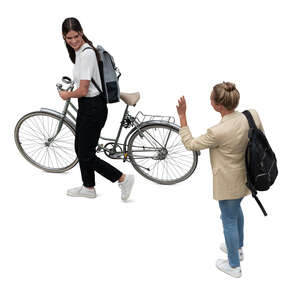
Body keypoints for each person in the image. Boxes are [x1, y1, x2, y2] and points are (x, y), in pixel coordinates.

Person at [176, 82, 264, 278]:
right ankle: (238, 248)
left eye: (211, 98)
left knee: (228, 220)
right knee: (236, 212)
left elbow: (191, 144)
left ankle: (233, 265)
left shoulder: (217, 132)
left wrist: (182, 117)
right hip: (249, 177)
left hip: (229, 182)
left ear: (217, 105)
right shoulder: (252, 115)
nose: (210, 100)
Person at [59, 17, 134, 201]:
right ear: (64, 37)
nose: (74, 41)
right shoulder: (80, 52)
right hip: (88, 106)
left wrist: (66, 95)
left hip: (92, 108)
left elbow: (84, 90)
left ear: (81, 32)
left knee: (85, 153)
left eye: (76, 36)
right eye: (69, 38)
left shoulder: (86, 54)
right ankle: (88, 188)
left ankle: (122, 178)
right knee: (81, 149)